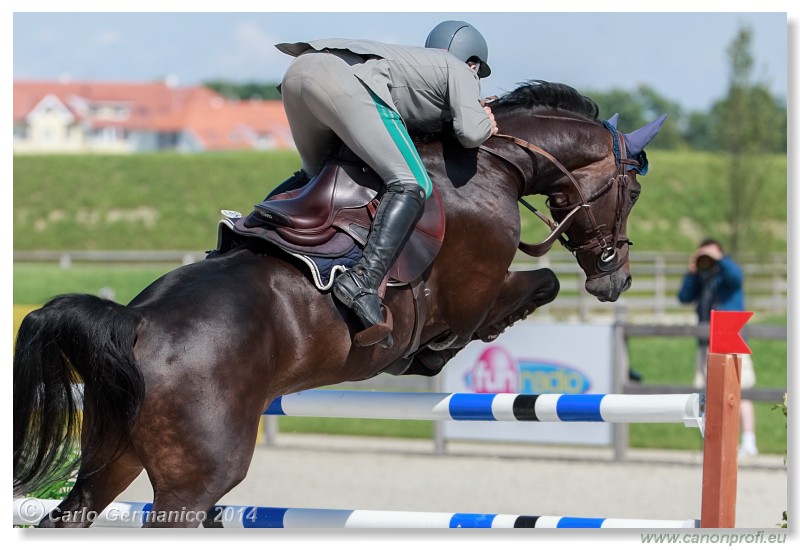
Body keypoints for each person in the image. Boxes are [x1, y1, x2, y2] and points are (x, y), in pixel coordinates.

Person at [263, 21, 498, 347]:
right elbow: (470, 132)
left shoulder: (418, 64)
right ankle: (362, 281)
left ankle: (247, 230)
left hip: (297, 73)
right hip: (342, 81)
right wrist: (487, 122)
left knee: (315, 176)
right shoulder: (461, 71)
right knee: (411, 182)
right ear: (472, 62)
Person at [678, 238, 758, 459]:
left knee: (743, 390)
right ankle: (713, 446)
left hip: (731, 339)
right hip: (706, 342)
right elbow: (684, 297)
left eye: (711, 254)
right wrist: (692, 272)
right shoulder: (702, 276)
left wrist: (719, 259)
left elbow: (737, 277)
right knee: (707, 395)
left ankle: (748, 443)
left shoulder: (727, 272)